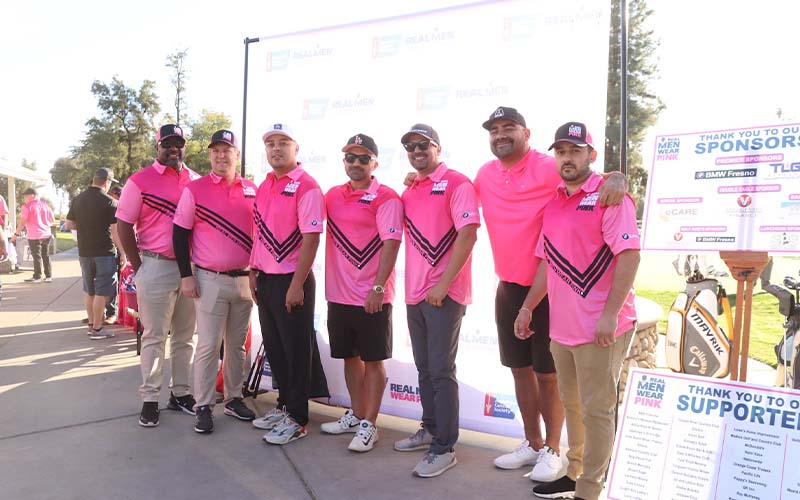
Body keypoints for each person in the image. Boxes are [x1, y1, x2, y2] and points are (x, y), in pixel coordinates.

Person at [473, 106, 627, 481]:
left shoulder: (548, 164)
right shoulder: (484, 174)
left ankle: (553, 452)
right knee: (519, 371)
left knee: (549, 376)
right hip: (509, 287)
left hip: (552, 289)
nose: (500, 135)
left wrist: (619, 176)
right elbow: (456, 196)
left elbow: (590, 177)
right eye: (494, 130)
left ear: (527, 133)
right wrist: (416, 175)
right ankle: (532, 442)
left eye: (508, 127)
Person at [514, 122, 640, 500]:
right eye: (561, 152)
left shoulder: (610, 195)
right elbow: (546, 263)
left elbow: (629, 256)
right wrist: (526, 307)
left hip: (601, 328)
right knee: (573, 404)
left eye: (575, 150)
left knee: (597, 411)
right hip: (562, 328)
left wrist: (610, 314)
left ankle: (590, 490)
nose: (567, 158)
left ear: (591, 155)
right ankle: (575, 473)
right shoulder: (553, 203)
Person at [393, 124, 479, 478]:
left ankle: (444, 447)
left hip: (444, 293)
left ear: (438, 148)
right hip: (416, 293)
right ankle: (430, 429)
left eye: (423, 145)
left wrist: (444, 284)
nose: (417, 151)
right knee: (426, 369)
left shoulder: (457, 183)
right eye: (411, 147)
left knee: (441, 371)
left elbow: (469, 233)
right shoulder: (412, 189)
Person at [319, 134, 403, 452]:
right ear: (344, 162)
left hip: (372, 296)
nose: (356, 163)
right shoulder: (332, 196)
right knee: (350, 357)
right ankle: (356, 415)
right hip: (338, 295)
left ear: (375, 163)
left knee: (374, 360)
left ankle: (370, 424)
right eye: (350, 158)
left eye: (363, 158)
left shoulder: (387, 197)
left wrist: (377, 288)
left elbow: (392, 243)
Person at [173, 129, 258, 434]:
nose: (221, 156)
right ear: (210, 155)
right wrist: (186, 275)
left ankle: (234, 398)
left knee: (236, 346)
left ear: (237, 155)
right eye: (216, 151)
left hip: (245, 279)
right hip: (209, 279)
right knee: (209, 345)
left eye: (227, 150)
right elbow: (180, 234)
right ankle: (204, 405)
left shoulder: (252, 189)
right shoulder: (195, 190)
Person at [249, 123, 330, 445]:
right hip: (266, 278)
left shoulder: (307, 186)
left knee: (297, 352)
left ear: (296, 149)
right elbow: (259, 233)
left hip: (292, 280)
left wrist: (297, 285)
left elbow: (311, 238)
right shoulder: (266, 184)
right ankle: (284, 405)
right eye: (270, 143)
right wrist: (254, 270)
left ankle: (297, 418)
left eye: (283, 142)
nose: (276, 149)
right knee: (277, 349)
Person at [116, 124, 200, 428]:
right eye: (167, 143)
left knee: (185, 337)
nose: (173, 148)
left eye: (178, 143)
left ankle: (180, 394)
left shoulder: (195, 181)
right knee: (153, 336)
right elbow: (124, 225)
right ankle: (150, 398)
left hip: (189, 269)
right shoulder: (139, 180)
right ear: (157, 147)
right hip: (155, 264)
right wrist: (139, 267)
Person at [65, 168, 125, 340]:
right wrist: (123, 253)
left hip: (84, 252)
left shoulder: (78, 199)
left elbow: (69, 224)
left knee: (89, 289)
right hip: (104, 252)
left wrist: (85, 226)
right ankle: (98, 329)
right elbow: (115, 232)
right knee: (102, 291)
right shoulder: (110, 202)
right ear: (106, 182)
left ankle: (92, 324)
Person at [12, 187, 55, 283]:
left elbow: (23, 221)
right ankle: (48, 276)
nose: (25, 198)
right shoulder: (45, 205)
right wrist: (44, 225)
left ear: (33, 195)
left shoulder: (27, 206)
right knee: (46, 255)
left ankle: (37, 276)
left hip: (34, 235)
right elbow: (52, 219)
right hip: (46, 234)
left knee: (37, 256)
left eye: (26, 196)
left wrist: (16, 234)